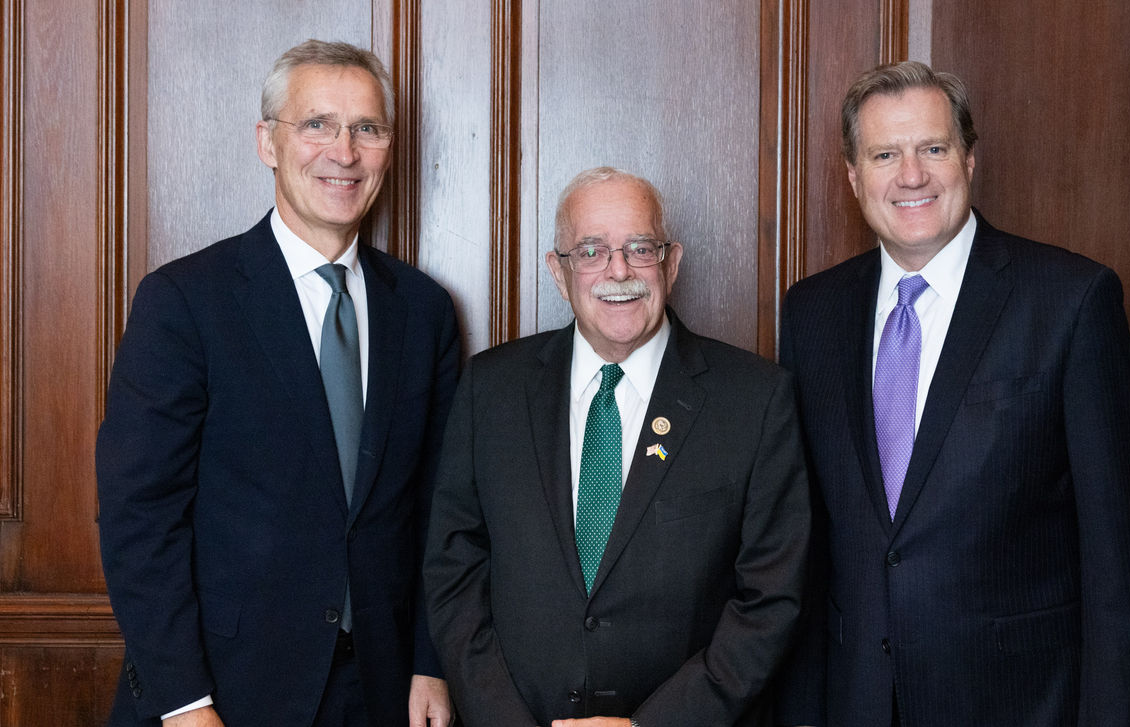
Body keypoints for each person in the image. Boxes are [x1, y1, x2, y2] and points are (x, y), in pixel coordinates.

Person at [776, 61, 1130, 726]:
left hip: (1018, 703)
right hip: (856, 700)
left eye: (933, 148)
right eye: (885, 154)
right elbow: (805, 546)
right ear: (853, 175)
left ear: (969, 159)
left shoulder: (1072, 301)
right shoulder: (812, 313)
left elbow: (1117, 563)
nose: (911, 175)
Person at [96, 40, 457, 727]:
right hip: (223, 695)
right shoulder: (185, 302)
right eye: (317, 124)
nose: (344, 152)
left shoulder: (424, 311)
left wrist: (430, 661)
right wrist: (184, 701)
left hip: (385, 693)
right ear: (268, 142)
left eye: (368, 129)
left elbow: (441, 511)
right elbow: (138, 516)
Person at [424, 166, 809, 727]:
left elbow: (770, 599)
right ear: (559, 272)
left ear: (671, 264)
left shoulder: (755, 399)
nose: (619, 270)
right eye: (591, 251)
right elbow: (454, 569)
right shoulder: (491, 388)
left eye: (640, 248)